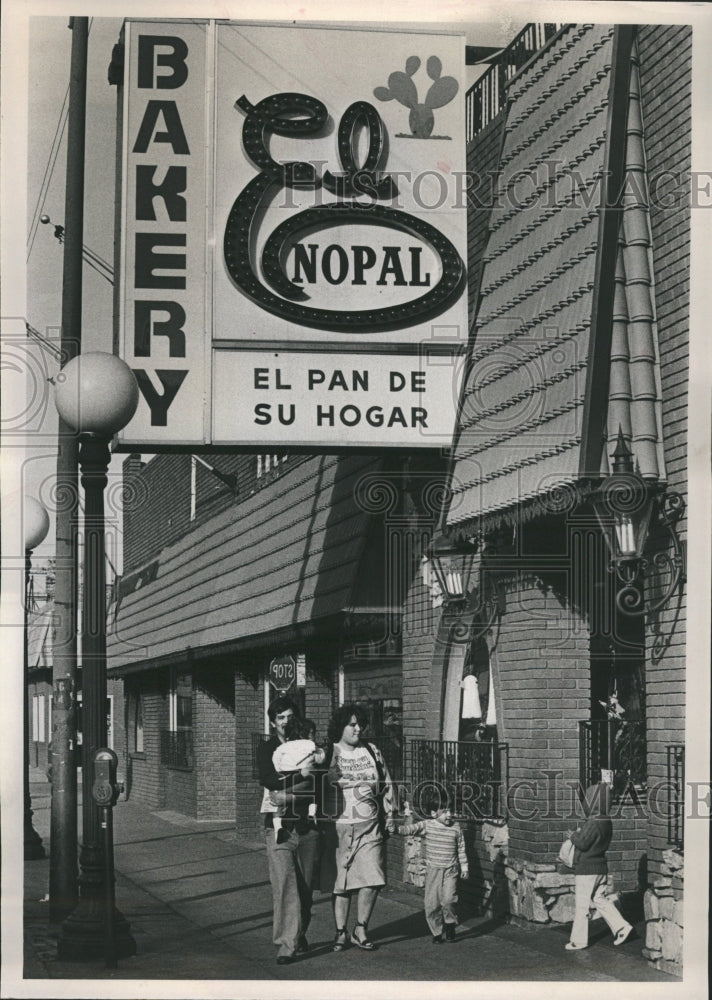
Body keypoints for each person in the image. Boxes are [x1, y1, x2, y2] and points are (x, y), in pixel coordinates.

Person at [256, 696, 321, 965]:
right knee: (284, 885)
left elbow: (318, 781)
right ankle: (286, 943)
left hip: (308, 826)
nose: (285, 722)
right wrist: (301, 778)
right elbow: (269, 780)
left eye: (289, 716)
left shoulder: (310, 745)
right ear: (273, 722)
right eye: (280, 717)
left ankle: (298, 933)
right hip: (278, 825)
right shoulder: (268, 748)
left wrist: (289, 792)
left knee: (305, 889)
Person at [326, 703, 396, 952]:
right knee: (342, 882)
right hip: (339, 827)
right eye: (352, 724)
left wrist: (390, 814)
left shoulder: (372, 750)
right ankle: (340, 932)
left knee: (373, 878)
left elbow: (387, 782)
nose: (358, 729)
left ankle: (361, 928)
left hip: (370, 825)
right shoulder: (330, 752)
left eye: (360, 724)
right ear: (340, 726)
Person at [565, 781, 633, 951]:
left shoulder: (592, 822)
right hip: (601, 867)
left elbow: (582, 843)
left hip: (587, 869)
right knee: (600, 899)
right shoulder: (606, 821)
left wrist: (572, 835)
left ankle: (578, 941)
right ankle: (622, 927)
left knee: (582, 905)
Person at [396, 786, 469, 943]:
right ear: (434, 813)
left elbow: (461, 848)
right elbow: (411, 829)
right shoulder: (428, 825)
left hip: (451, 870)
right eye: (444, 811)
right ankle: (436, 931)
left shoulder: (456, 828)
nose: (449, 815)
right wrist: (396, 829)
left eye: (451, 810)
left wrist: (464, 868)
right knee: (432, 903)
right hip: (433, 870)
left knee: (449, 900)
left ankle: (449, 924)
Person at [261, 716, 326, 842]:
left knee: (276, 800)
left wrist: (279, 769)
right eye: (312, 733)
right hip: (304, 778)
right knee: (311, 792)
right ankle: (311, 814)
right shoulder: (311, 744)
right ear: (307, 733)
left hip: (284, 775)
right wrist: (319, 756)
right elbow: (320, 757)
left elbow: (276, 757)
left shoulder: (284, 747)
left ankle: (278, 827)